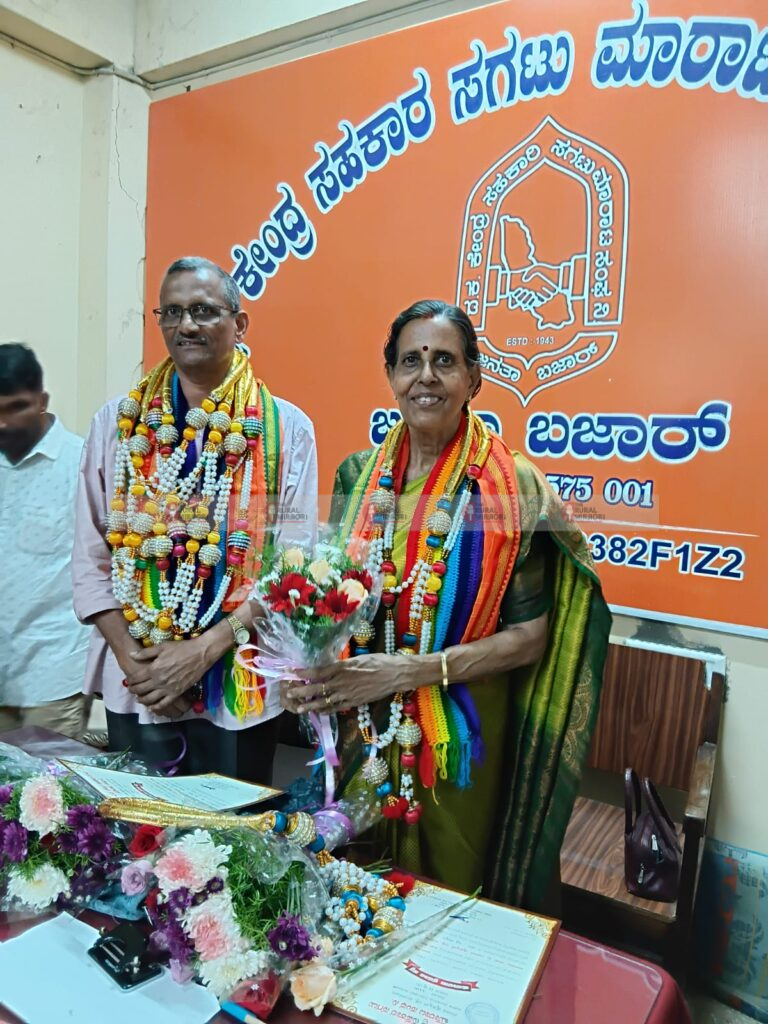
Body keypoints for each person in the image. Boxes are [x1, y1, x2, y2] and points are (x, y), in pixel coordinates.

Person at [282, 299, 610, 912]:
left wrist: (408, 671)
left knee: (450, 899)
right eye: (411, 361)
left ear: (473, 378)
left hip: (461, 731)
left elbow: (531, 637)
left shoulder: (512, 487)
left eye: (444, 361)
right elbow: (333, 599)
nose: (426, 376)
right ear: (391, 376)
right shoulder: (359, 476)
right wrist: (309, 665)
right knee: (354, 886)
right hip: (365, 720)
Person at [73, 257, 317, 783]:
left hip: (239, 684)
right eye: (173, 312)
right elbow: (91, 558)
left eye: (204, 311)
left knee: (234, 830)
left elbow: (290, 570)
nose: (186, 325)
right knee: (137, 827)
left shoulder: (286, 430)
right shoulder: (117, 425)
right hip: (139, 683)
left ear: (239, 323)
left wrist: (203, 651)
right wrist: (137, 662)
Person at [0, 343, 91, 739]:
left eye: (16, 407)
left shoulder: (82, 462)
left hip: (54, 674)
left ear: (42, 401)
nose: (4, 423)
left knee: (47, 779)